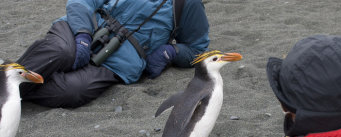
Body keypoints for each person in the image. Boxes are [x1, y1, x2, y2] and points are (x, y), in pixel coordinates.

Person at [16, 0, 209, 108]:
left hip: (117, 63)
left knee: (74, 90)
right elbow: (81, 2)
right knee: (61, 53)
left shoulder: (189, 4)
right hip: (80, 29)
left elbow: (197, 49)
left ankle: (15, 96)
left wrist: (172, 51)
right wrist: (83, 34)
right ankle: (5, 90)